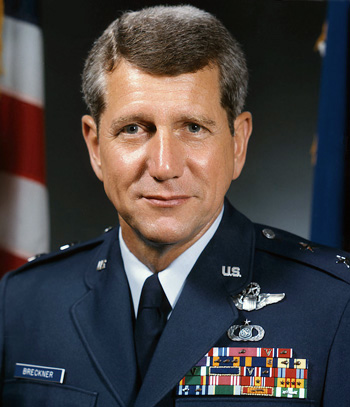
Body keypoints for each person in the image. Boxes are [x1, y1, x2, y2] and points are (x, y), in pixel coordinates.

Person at [1, 5, 350, 406]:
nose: (165, 167)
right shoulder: (24, 302)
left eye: (194, 128)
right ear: (95, 146)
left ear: (238, 143)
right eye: (134, 129)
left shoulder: (335, 307)